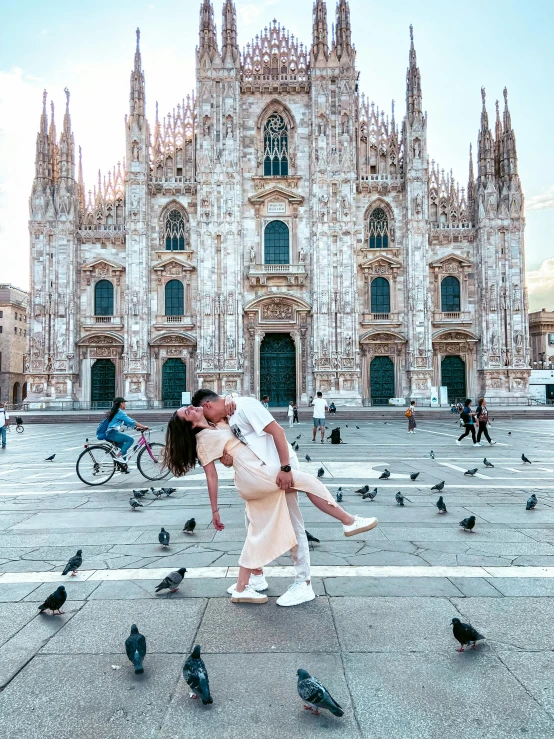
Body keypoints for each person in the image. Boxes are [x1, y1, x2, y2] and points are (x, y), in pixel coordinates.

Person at [163, 392, 378, 607]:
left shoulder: (224, 418)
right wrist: (215, 508)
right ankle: (345, 525)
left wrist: (230, 396)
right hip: (260, 475)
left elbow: (236, 438)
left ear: (208, 405)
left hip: (266, 469)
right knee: (305, 492)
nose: (192, 409)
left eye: (192, 407)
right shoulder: (207, 432)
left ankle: (250, 580)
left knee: (255, 528)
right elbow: (213, 472)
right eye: (188, 411)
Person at [105, 397, 148, 462]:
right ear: (121, 403)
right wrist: (143, 426)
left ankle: (124, 466)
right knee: (130, 440)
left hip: (109, 434)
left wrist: (135, 427)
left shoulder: (115, 411)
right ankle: (118, 456)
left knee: (123, 447)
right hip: (112, 433)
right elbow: (132, 421)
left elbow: (125, 422)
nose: (125, 404)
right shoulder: (119, 412)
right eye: (124, 403)